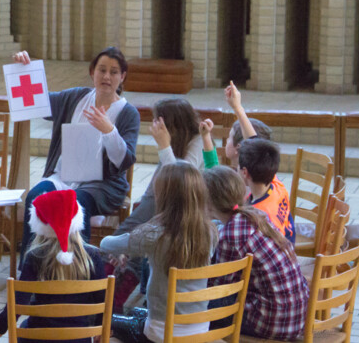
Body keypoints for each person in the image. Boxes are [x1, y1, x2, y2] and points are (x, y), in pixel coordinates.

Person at [13, 47, 140, 265]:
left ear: (123, 77)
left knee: (75, 204)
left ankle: (79, 273)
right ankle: (30, 272)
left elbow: (124, 161)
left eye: (113, 72)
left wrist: (109, 130)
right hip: (62, 177)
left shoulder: (128, 113)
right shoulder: (75, 97)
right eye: (102, 70)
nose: (107, 76)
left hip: (101, 185)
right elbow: (34, 102)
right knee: (34, 198)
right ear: (92, 73)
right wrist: (24, 70)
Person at [101, 161, 217, 342]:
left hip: (162, 333)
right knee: (137, 312)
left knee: (107, 320)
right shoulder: (210, 230)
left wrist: (126, 250)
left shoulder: (155, 233)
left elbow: (107, 244)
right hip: (200, 326)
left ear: (164, 196)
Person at [0, 190, 106, 343]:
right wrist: (103, 326)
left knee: (26, 327)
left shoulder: (36, 256)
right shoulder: (92, 256)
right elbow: (105, 300)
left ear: (39, 225)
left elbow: (19, 300)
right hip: (78, 338)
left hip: (38, 338)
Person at [204, 166, 307, 341]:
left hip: (271, 322)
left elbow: (219, 290)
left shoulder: (231, 235)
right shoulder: (254, 214)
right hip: (296, 317)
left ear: (208, 202)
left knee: (194, 308)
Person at [115, 98, 203, 235]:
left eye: (157, 121)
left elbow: (180, 181)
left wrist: (164, 146)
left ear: (172, 124)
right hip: (161, 202)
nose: (154, 125)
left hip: (185, 205)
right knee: (137, 221)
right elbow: (153, 189)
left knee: (129, 235)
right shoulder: (174, 140)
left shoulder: (198, 141)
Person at [239, 138, 295, 243]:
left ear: (244, 172)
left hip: (281, 251)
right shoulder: (277, 185)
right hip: (289, 240)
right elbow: (254, 138)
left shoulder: (257, 215)